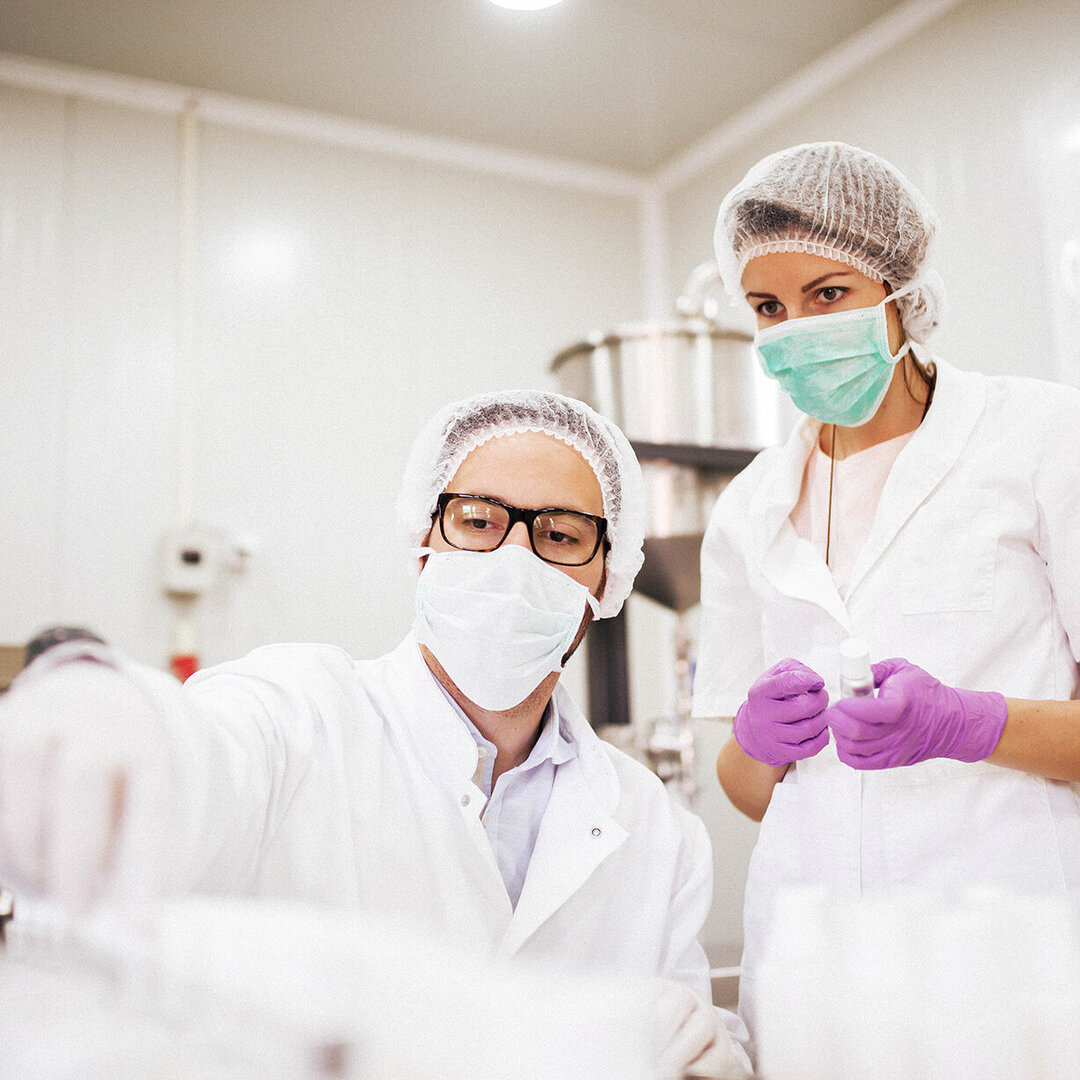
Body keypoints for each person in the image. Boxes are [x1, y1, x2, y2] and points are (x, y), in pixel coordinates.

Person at [0, 389, 750, 1079]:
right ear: (424, 537)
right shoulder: (301, 710)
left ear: (607, 578)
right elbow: (208, 756)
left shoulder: (656, 827)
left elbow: (697, 1045)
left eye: (560, 534)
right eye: (479, 520)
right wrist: (129, 726)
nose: (513, 558)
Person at [691, 141, 1080, 1065]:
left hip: (1008, 963)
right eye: (767, 308)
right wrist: (755, 742)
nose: (794, 329)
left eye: (829, 295)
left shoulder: (1040, 438)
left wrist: (971, 724)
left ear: (902, 291)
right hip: (813, 972)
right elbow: (746, 791)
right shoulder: (748, 504)